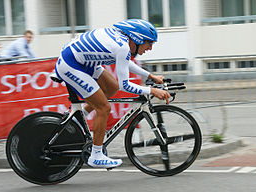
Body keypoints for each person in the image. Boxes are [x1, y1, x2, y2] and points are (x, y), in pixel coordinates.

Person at [54, 19, 170, 168]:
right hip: (71, 65)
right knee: (104, 108)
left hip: (82, 62)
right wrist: (152, 90)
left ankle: (78, 119)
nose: (150, 48)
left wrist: (150, 76)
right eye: (149, 43)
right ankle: (96, 155)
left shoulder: (122, 43)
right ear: (138, 38)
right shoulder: (122, 47)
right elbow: (125, 85)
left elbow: (125, 62)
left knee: (111, 88)